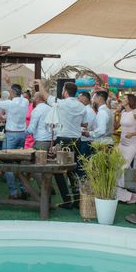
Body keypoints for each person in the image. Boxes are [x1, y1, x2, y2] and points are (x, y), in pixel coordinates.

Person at [36, 79, 86, 208]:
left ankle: (66, 200)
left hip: (63, 139)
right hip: (77, 140)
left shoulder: (61, 103)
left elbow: (45, 96)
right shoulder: (82, 106)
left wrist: (40, 84)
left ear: (65, 92)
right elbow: (84, 124)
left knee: (58, 170)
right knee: (73, 170)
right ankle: (76, 200)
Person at [0, 77, 29, 199]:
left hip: (11, 135)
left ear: (12, 93)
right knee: (21, 163)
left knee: (8, 162)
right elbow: (19, 95)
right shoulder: (25, 102)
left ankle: (13, 192)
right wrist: (10, 84)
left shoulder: (9, 103)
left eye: (10, 92)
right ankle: (24, 189)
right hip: (22, 135)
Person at [115, 94, 136, 203]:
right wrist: (117, 112)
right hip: (122, 143)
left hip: (131, 144)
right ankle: (122, 195)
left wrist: (132, 134)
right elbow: (116, 127)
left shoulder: (135, 112)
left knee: (123, 168)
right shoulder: (123, 112)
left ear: (130, 100)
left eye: (124, 98)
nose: (122, 100)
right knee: (117, 167)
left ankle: (128, 195)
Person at [78, 91, 96, 158]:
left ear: (84, 99)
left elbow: (86, 128)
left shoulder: (88, 111)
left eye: (79, 98)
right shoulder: (85, 109)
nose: (78, 100)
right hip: (84, 141)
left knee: (83, 163)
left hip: (86, 141)